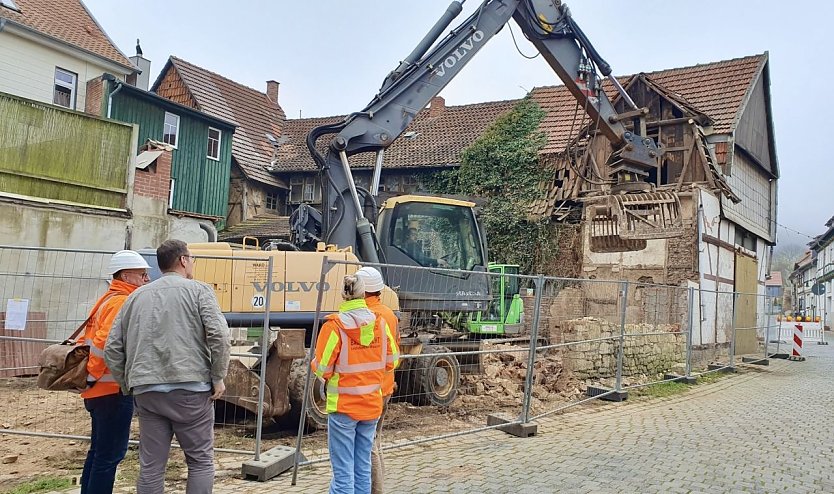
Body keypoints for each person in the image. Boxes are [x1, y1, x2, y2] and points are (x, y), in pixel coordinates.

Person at [105, 239, 231, 494]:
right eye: (192, 258)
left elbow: (112, 348)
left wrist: (128, 383)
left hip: (147, 391)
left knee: (151, 467)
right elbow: (219, 336)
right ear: (183, 260)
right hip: (191, 390)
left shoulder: (135, 297)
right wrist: (218, 376)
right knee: (200, 461)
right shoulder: (199, 291)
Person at [312, 274, 400, 494]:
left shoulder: (334, 327)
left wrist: (317, 363)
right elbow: (392, 361)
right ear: (364, 293)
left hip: (343, 407)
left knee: (343, 473)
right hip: (371, 406)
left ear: (344, 295)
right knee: (362, 468)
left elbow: (322, 369)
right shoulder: (380, 324)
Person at [80, 250, 151, 494]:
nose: (147, 280)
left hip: (99, 390)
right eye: (142, 275)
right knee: (109, 456)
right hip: (110, 389)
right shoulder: (121, 302)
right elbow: (103, 344)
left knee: (98, 453)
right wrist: (93, 375)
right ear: (126, 276)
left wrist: (90, 379)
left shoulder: (107, 298)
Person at [355, 266, 400, 494]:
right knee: (375, 440)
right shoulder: (389, 314)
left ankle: (375, 489)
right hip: (385, 386)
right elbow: (394, 353)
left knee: (368, 443)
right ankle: (378, 484)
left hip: (370, 390)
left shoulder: (366, 317)